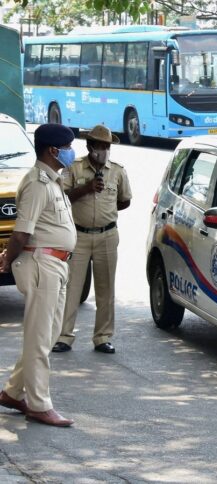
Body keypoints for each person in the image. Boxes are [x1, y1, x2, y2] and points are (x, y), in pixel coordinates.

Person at [0, 124, 77, 427]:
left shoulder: (54, 181)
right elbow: (21, 233)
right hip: (41, 263)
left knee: (49, 333)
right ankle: (39, 404)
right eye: (69, 146)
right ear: (53, 150)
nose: (74, 152)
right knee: (39, 336)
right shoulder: (36, 183)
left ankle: (13, 392)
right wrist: (8, 260)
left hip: (55, 264)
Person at [53, 125, 131, 354]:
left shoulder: (117, 171)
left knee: (106, 289)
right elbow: (61, 196)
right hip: (78, 235)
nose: (104, 150)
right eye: (100, 146)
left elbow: (125, 200)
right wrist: (87, 189)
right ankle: (64, 337)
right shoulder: (74, 168)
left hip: (107, 235)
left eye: (107, 146)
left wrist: (107, 212)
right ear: (89, 146)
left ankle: (103, 337)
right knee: (71, 288)